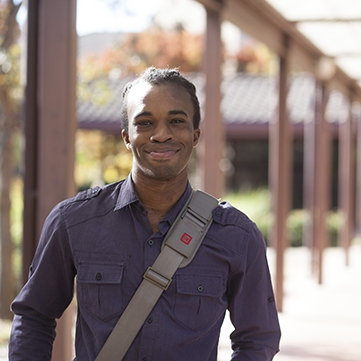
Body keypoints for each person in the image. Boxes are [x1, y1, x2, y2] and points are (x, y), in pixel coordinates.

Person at [9, 66, 281, 360]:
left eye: (177, 121)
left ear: (195, 134)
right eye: (145, 123)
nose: (161, 134)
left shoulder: (237, 236)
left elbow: (257, 339)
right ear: (127, 137)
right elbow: (34, 316)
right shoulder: (73, 221)